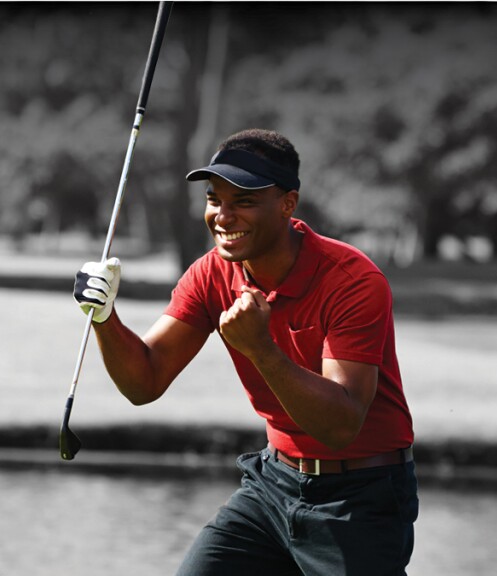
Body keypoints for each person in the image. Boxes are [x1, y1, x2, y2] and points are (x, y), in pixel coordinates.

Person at [73, 128, 418, 575]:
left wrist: (261, 349)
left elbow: (341, 425)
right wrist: (104, 318)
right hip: (273, 485)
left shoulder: (352, 281)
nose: (223, 215)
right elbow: (145, 381)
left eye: (244, 201)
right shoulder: (211, 273)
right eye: (214, 199)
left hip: (361, 497)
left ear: (288, 204)